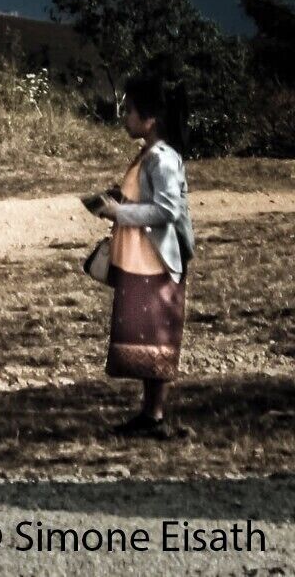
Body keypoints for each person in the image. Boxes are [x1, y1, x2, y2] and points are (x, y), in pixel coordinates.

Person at [87, 72, 197, 437]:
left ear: (150, 118)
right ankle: (150, 415)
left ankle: (154, 415)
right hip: (141, 260)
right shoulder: (149, 155)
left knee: (157, 339)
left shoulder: (161, 159)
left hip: (155, 261)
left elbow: (166, 211)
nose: (125, 117)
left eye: (130, 110)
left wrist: (120, 213)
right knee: (148, 339)